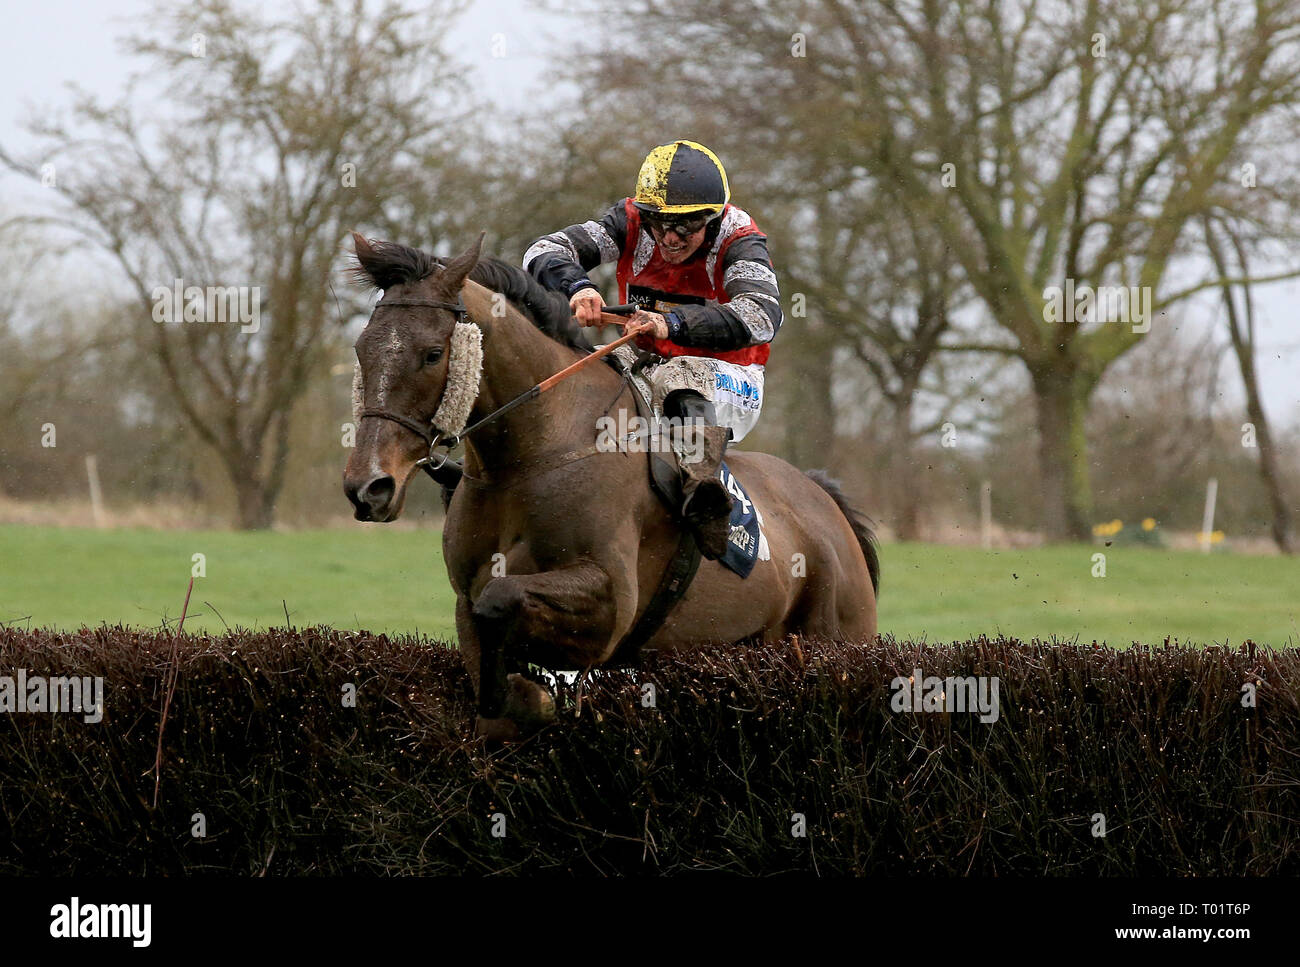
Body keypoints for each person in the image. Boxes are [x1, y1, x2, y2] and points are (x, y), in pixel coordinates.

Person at [523, 140, 782, 559]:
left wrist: (673, 323)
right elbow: (543, 250)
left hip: (730, 380)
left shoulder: (740, 241)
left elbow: (762, 315)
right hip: (648, 362)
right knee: (584, 369)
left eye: (684, 227)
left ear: (711, 220)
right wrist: (579, 286)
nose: (669, 237)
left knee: (679, 373)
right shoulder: (628, 223)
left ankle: (707, 495)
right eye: (657, 223)